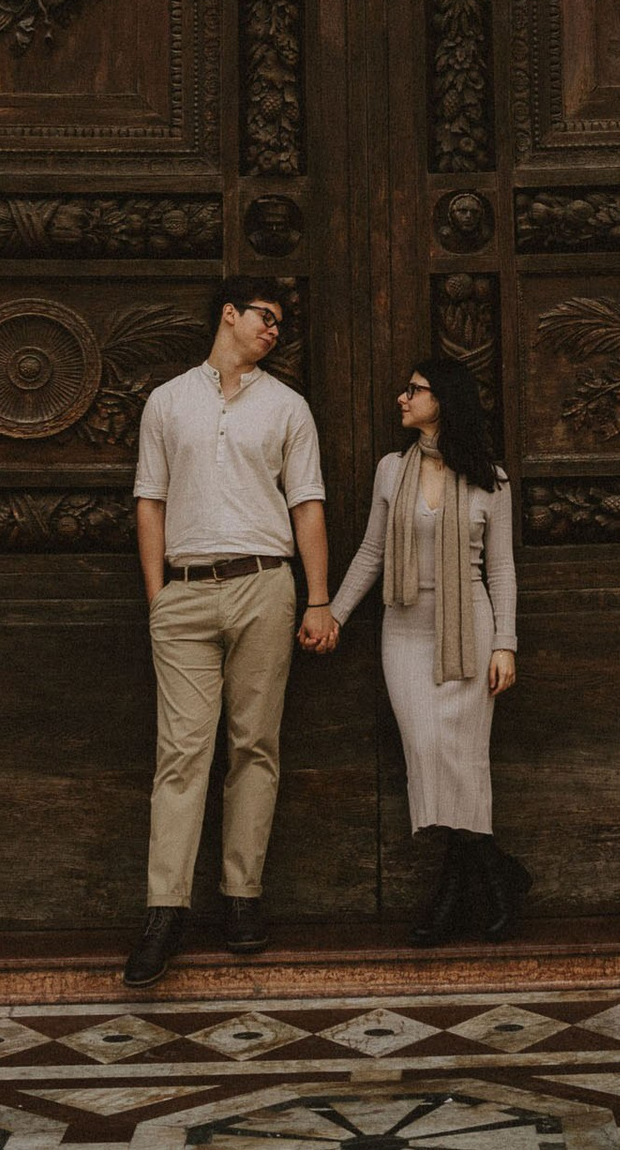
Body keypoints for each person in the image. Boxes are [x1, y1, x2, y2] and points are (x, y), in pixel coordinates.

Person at [125, 276, 333, 988]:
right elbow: (149, 501)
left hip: (264, 585)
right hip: (184, 593)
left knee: (255, 746)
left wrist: (317, 598)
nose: (273, 331)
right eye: (264, 318)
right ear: (229, 316)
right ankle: (164, 911)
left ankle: (242, 896)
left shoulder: (288, 407)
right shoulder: (168, 401)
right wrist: (158, 597)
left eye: (280, 325)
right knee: (180, 754)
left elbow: (306, 504)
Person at [323, 354, 527, 944]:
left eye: (414, 389)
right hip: (406, 634)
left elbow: (503, 571)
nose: (402, 399)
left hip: (473, 633)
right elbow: (371, 553)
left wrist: (506, 645)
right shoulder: (392, 469)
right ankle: (496, 872)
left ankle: (452, 894)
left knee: (462, 761)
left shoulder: (492, 479)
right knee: (429, 751)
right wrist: (333, 615)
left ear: (445, 401)